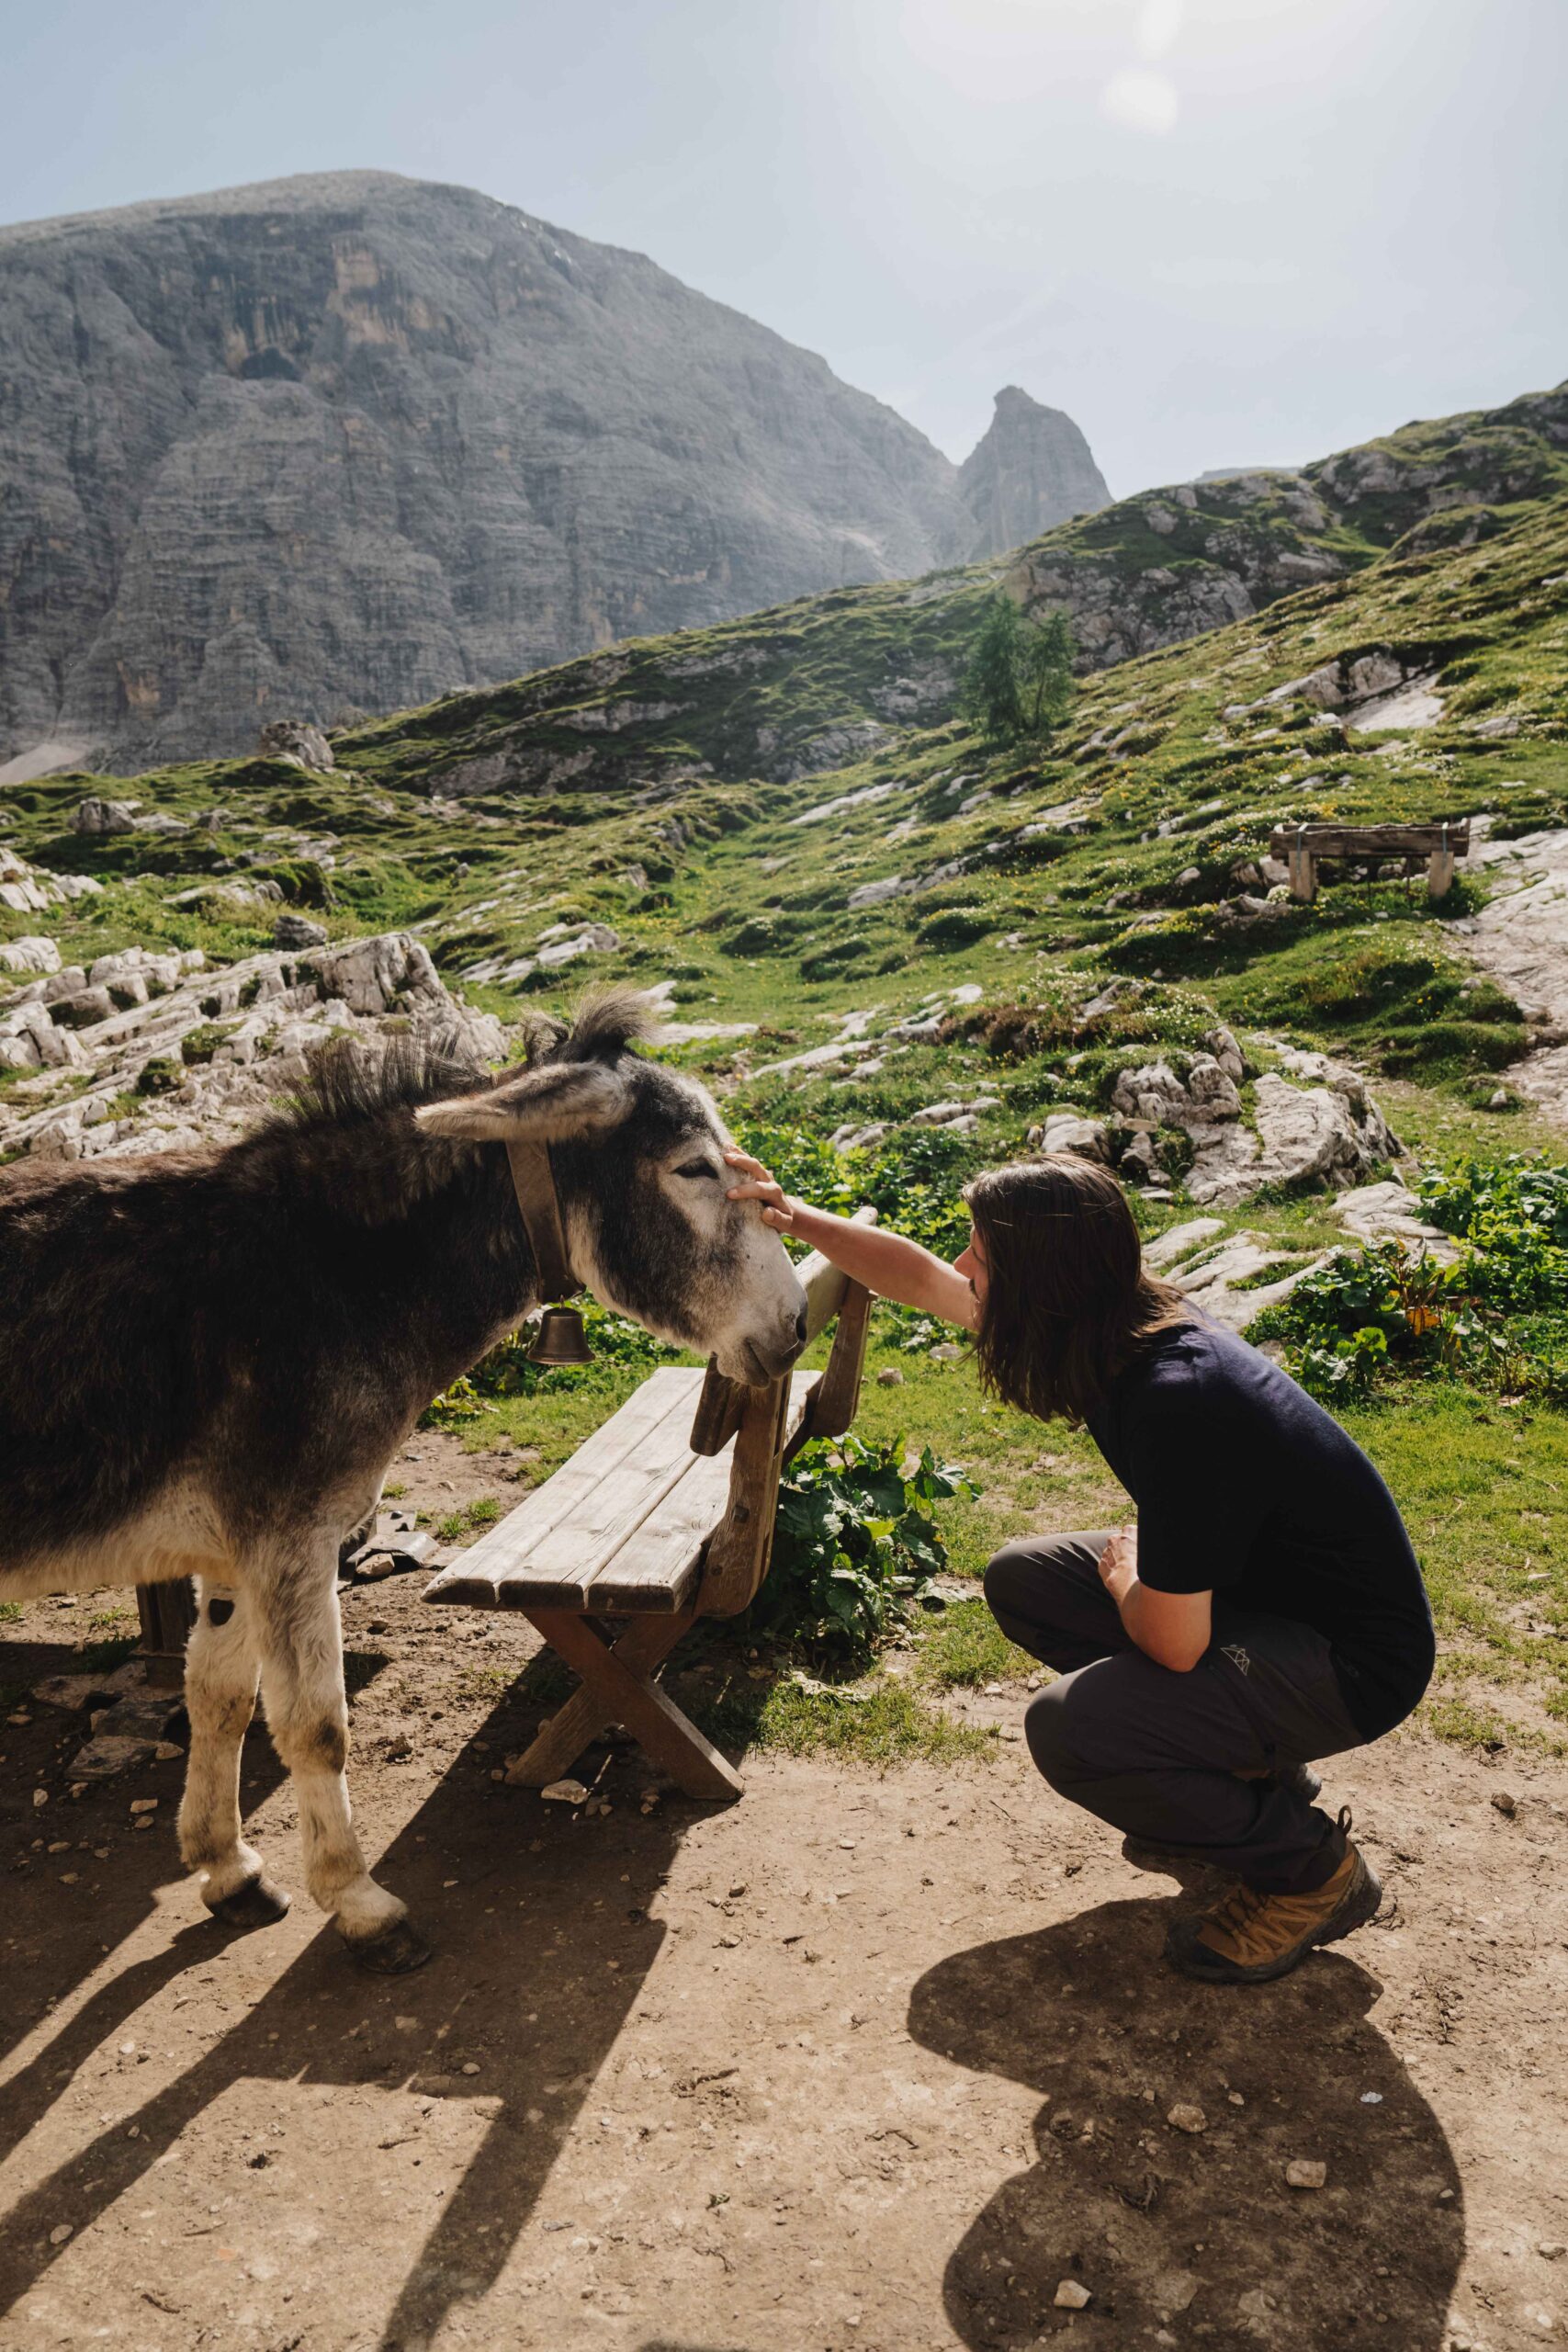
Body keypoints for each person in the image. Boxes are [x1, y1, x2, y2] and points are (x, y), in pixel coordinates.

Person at [723, 1146, 1435, 1984]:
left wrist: (1131, 1583)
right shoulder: (1110, 1321)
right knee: (1027, 1579)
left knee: (1072, 1729)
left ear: (1036, 1279)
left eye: (980, 1256)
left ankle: (1311, 1873)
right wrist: (790, 1215)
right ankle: (1240, 1773)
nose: (961, 1268)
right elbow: (918, 1278)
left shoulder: (1178, 1397)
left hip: (1351, 1664)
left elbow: (1172, 1644)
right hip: (1270, 1606)